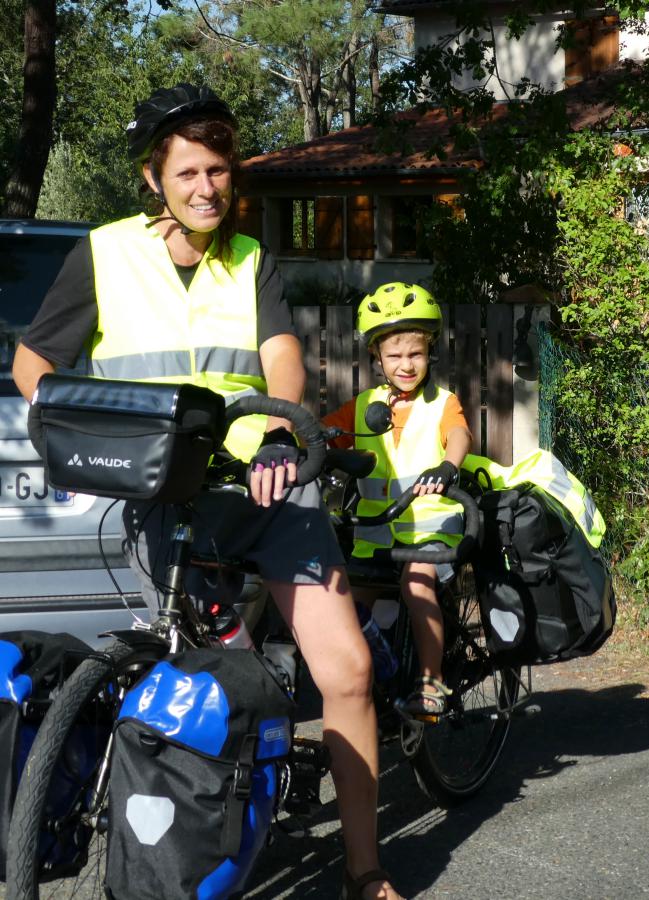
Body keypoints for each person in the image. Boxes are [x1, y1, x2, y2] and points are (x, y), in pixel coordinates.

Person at [11, 84, 403, 900]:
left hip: (264, 485)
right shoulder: (106, 252)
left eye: (218, 170)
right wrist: (73, 418)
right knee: (195, 685)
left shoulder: (251, 258)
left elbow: (281, 356)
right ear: (154, 178)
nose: (205, 189)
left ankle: (366, 871)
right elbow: (33, 362)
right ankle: (194, 844)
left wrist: (279, 429)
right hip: (165, 493)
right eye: (187, 172)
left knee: (348, 670)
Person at [323, 283, 472, 719]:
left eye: (416, 354)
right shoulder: (364, 405)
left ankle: (431, 680)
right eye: (395, 356)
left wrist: (449, 465)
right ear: (377, 357)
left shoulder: (442, 402)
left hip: (429, 529)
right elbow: (321, 430)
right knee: (346, 601)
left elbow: (459, 434)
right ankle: (378, 672)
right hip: (376, 533)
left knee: (415, 584)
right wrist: (294, 441)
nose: (406, 365)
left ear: (430, 353)